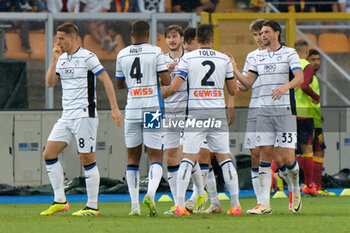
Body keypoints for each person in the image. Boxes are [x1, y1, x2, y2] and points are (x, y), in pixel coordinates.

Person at [40, 23, 122, 216]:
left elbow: (106, 80)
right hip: (66, 116)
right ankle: (60, 200)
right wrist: (54, 60)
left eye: (61, 38)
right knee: (48, 154)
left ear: (73, 38)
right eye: (57, 38)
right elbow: (50, 83)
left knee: (87, 158)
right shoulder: (60, 60)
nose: (58, 42)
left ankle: (92, 206)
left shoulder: (88, 57)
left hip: (85, 115)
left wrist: (115, 108)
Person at [162, 24, 240, 216]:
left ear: (196, 39)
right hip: (217, 114)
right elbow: (232, 90)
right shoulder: (223, 59)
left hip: (195, 114)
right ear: (213, 39)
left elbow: (174, 87)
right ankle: (235, 205)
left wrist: (160, 94)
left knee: (187, 158)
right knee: (224, 159)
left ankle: (180, 206)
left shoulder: (188, 58)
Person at [231, 20, 304, 214]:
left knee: (288, 159)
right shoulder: (255, 57)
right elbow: (247, 84)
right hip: (262, 110)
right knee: (264, 154)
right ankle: (264, 205)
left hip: (284, 110)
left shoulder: (289, 53)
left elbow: (299, 77)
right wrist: (235, 70)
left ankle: (295, 187)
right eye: (260, 33)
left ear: (276, 33)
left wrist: (285, 86)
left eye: (266, 32)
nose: (262, 36)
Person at [115, 20, 171, 217]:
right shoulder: (156, 52)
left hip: (132, 109)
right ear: (148, 35)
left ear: (132, 34)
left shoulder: (122, 54)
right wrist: (167, 72)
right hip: (152, 109)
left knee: (132, 158)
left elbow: (120, 84)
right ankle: (150, 194)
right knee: (156, 157)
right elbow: (166, 81)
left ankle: (134, 206)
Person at [294, 40, 320, 197]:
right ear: (306, 52)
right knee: (307, 148)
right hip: (304, 112)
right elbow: (304, 86)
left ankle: (275, 175)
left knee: (290, 149)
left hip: (289, 111)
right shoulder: (306, 65)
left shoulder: (289, 65)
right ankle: (309, 185)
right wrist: (316, 96)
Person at [307, 49, 330, 195]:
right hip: (309, 121)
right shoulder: (307, 76)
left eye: (318, 59)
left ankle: (315, 185)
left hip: (315, 120)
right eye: (313, 59)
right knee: (313, 152)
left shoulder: (313, 77)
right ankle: (314, 186)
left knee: (317, 151)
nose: (316, 62)